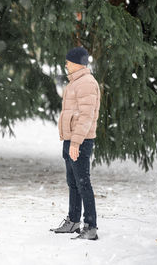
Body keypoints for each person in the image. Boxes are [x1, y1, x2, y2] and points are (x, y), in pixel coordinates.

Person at [50, 46, 100, 240]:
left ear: (77, 63)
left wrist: (76, 143)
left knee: (83, 183)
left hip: (80, 140)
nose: (65, 65)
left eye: (68, 62)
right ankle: (73, 221)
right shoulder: (75, 82)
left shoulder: (86, 83)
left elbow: (86, 117)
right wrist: (70, 140)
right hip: (71, 139)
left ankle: (91, 226)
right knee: (73, 183)